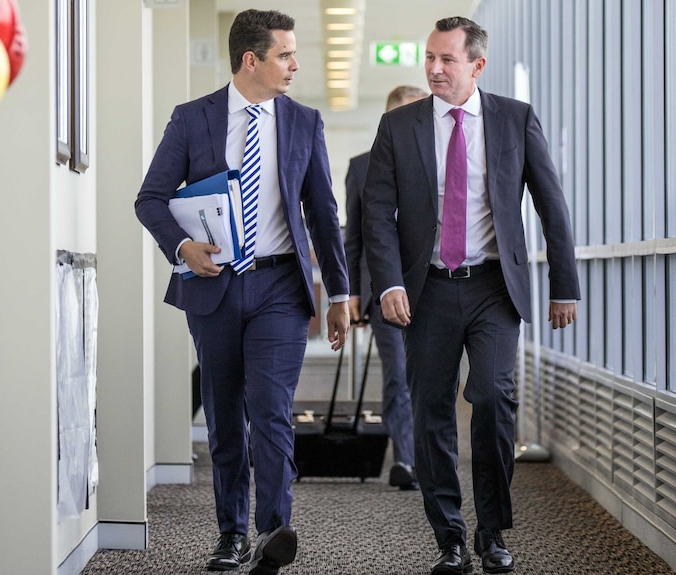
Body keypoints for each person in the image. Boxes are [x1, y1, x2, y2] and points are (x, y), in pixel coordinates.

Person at [362, 16, 580, 575]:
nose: (434, 68)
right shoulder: (400, 126)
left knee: (492, 397)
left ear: (476, 65)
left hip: (492, 287)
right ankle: (450, 538)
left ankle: (492, 529)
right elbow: (376, 214)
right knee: (430, 409)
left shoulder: (514, 119)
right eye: (429, 58)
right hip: (426, 290)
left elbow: (551, 206)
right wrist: (386, 281)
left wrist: (565, 287)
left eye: (447, 60)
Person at [135, 9, 349, 575]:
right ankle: (230, 535)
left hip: (281, 283)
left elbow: (323, 214)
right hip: (215, 286)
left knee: (272, 410)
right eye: (285, 55)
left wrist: (340, 293)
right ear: (250, 60)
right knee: (226, 416)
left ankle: (273, 529)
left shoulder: (302, 121)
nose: (294, 65)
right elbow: (150, 198)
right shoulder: (192, 119)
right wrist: (183, 248)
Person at [344, 85, 428, 491]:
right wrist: (353, 295)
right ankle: (406, 460)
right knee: (398, 372)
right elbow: (354, 235)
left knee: (432, 375)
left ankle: (429, 454)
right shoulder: (361, 167)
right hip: (382, 289)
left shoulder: (444, 162)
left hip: (435, 286)